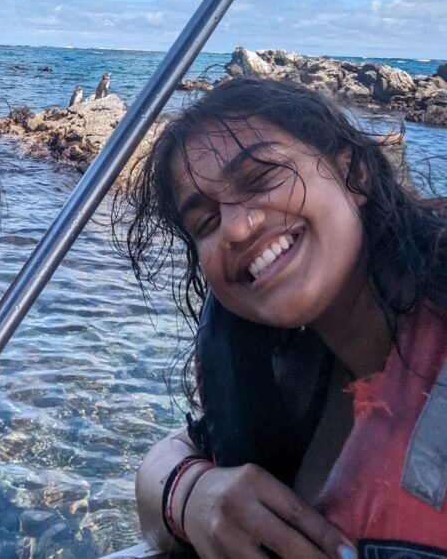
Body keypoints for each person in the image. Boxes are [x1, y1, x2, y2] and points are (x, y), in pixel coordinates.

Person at [122, 77, 447, 558]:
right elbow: (164, 462)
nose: (235, 226)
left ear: (353, 174)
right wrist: (189, 493)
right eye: (205, 222)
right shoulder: (303, 373)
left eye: (260, 177)